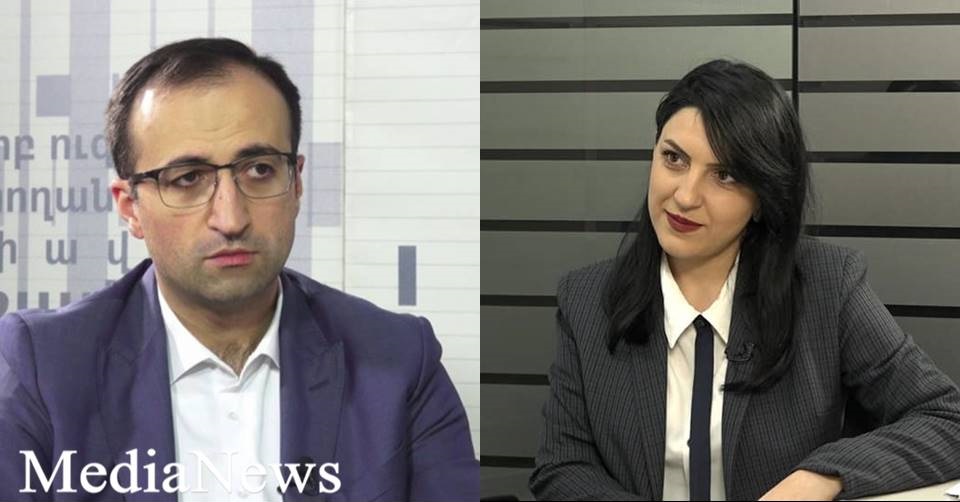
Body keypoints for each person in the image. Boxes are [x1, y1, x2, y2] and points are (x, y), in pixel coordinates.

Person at [0, 38, 477, 501]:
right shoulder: (43, 366)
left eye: (259, 170)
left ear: (296, 184)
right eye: (187, 178)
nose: (231, 218)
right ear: (130, 208)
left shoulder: (399, 359)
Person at [528, 59, 960, 501]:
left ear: (762, 198)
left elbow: (948, 419)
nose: (685, 196)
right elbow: (563, 467)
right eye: (674, 158)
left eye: (725, 175)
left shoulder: (828, 286)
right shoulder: (588, 300)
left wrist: (820, 477)